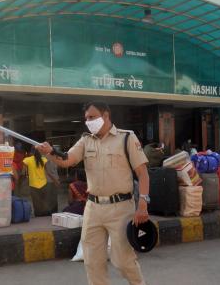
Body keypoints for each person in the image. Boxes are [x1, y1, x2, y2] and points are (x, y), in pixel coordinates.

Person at [37, 101, 150, 285]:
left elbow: (143, 173)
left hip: (121, 208)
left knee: (123, 261)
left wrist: (143, 203)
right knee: (92, 262)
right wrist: (50, 152)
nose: (88, 121)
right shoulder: (86, 140)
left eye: (92, 117)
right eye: (86, 118)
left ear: (106, 116)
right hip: (93, 208)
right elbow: (68, 160)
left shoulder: (126, 138)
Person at [23, 149, 50, 216]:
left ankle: (38, 216)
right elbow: (47, 171)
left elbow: (23, 171)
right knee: (44, 201)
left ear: (32, 152)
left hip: (33, 184)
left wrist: (25, 175)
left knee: (36, 202)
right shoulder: (44, 159)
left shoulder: (28, 160)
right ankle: (45, 215)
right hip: (44, 183)